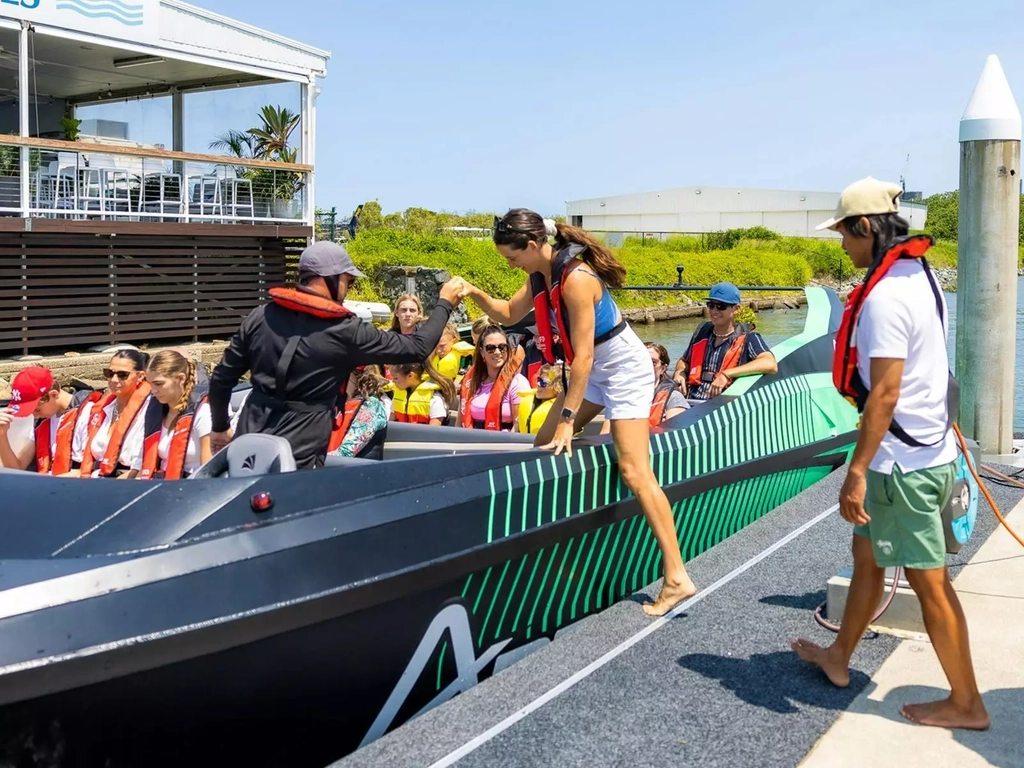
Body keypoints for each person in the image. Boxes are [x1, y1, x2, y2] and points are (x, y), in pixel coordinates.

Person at [791, 177, 989, 731]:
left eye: (845, 236)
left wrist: (855, 472)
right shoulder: (920, 275)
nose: (842, 247)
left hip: (902, 467)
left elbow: (884, 394)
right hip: (928, 448)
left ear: (865, 228)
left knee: (930, 585)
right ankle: (839, 657)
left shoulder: (883, 296)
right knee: (867, 557)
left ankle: (967, 703)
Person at [459, 209, 697, 615]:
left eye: (512, 258)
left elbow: (583, 357)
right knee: (542, 444)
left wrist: (569, 420)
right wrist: (471, 291)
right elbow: (507, 313)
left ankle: (676, 576)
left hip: (622, 369)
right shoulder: (540, 274)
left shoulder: (576, 280)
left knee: (635, 471)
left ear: (533, 246)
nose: (510, 264)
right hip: (594, 371)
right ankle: (574, 544)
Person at [208, 241, 463, 469]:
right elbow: (417, 347)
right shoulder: (345, 331)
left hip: (248, 441)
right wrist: (444, 304)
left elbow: (221, 378)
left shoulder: (260, 316)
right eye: (349, 281)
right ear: (330, 279)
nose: (349, 288)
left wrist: (219, 428)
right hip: (300, 450)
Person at [671, 282, 777, 401]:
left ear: (736, 309)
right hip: (691, 403)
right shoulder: (702, 333)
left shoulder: (749, 338)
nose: (714, 311)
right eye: (711, 305)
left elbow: (770, 364)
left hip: (723, 407)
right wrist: (680, 373)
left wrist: (727, 374)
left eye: (721, 306)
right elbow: (684, 360)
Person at [0, 365, 104, 474]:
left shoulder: (88, 414)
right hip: (48, 485)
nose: (34, 415)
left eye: (37, 410)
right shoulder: (42, 421)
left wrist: (45, 484)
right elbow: (16, 469)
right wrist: (2, 435)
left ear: (54, 395)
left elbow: (89, 471)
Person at [136, 350, 213, 480]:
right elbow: (144, 466)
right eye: (150, 384)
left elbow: (209, 471)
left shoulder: (203, 412)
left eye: (159, 384)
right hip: (157, 485)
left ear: (181, 378)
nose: (153, 391)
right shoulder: (155, 409)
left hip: (191, 486)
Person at [77, 350, 153, 478]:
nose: (114, 379)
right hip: (97, 479)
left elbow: (140, 469)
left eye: (122, 375)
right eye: (109, 373)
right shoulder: (104, 409)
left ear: (140, 376)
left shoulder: (149, 410)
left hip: (129, 482)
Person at [603, 342, 689, 435]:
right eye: (640, 361)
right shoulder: (621, 396)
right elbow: (604, 434)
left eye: (653, 362)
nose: (645, 366)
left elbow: (674, 436)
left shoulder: (674, 398)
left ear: (663, 368)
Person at [458, 325, 530, 431]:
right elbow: (458, 424)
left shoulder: (518, 383)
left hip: (503, 444)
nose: (497, 352)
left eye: (502, 347)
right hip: (472, 443)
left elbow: (519, 427)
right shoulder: (471, 382)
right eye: (490, 348)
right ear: (482, 352)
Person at [328, 365, 390, 460]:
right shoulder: (338, 403)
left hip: (357, 470)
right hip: (333, 465)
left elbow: (346, 452)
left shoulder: (372, 406)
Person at [390, 361, 455, 425]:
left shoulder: (435, 398)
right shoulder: (398, 394)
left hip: (423, 435)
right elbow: (391, 422)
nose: (393, 381)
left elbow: (434, 429)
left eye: (396, 378)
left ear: (410, 376)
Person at [515, 362, 563, 434]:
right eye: (538, 380)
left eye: (543, 383)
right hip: (523, 443)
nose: (538, 384)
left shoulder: (561, 408)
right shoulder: (530, 401)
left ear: (557, 387)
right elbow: (515, 429)